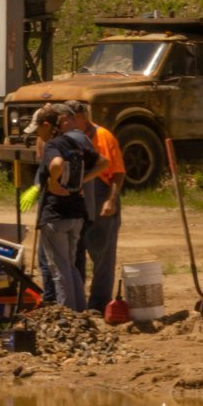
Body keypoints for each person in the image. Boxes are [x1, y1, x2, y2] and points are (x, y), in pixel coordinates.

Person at [24, 103, 107, 312]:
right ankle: (80, 313)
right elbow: (103, 162)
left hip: (56, 216)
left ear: (47, 125)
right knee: (70, 267)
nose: (38, 136)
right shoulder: (75, 142)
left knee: (59, 269)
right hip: (76, 215)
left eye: (38, 131)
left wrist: (53, 183)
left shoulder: (53, 145)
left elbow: (57, 164)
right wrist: (81, 181)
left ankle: (67, 315)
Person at [66, 100, 126, 313]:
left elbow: (118, 172)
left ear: (82, 116)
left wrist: (111, 200)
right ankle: (78, 302)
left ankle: (99, 304)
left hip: (102, 197)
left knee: (102, 255)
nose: (68, 122)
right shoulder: (68, 137)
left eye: (71, 118)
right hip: (78, 200)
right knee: (76, 253)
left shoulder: (103, 136)